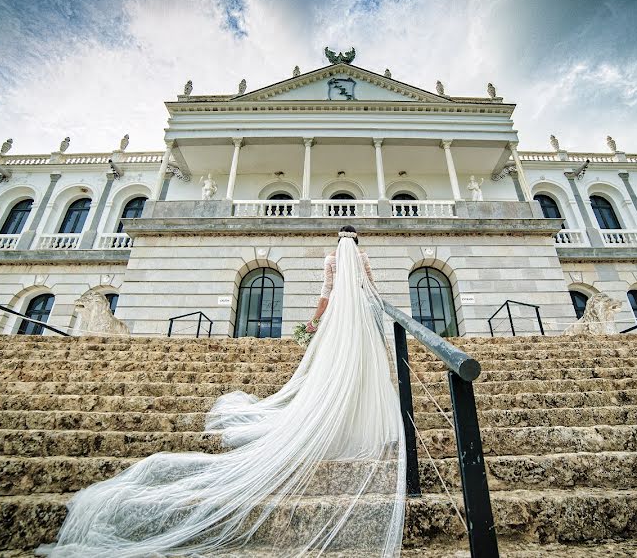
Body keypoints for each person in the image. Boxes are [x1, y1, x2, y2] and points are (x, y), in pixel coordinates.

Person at [39, 225, 406, 557]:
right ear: (357, 242)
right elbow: (371, 290)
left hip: (338, 320)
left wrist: (312, 322)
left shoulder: (331, 260)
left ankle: (335, 417)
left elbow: (326, 295)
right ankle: (363, 422)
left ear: (336, 243)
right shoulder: (363, 258)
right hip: (359, 319)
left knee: (332, 369)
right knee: (364, 366)